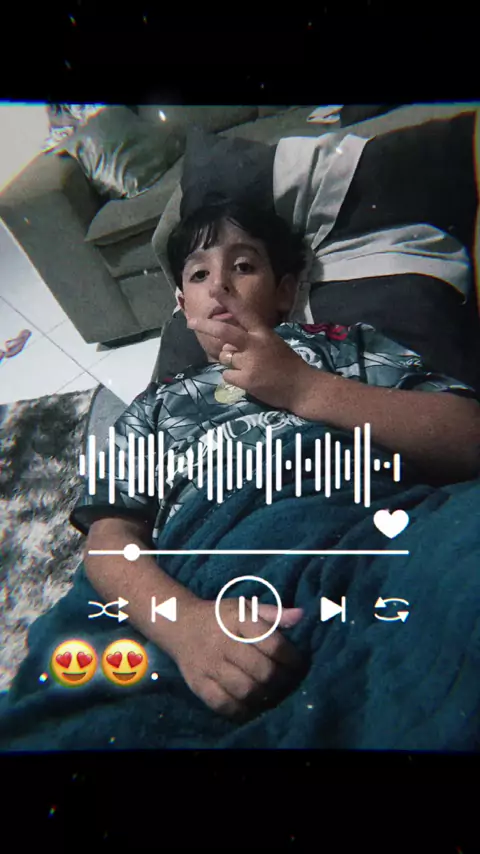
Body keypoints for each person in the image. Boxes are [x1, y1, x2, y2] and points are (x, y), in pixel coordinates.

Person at [69, 198, 480, 723]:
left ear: (285, 291)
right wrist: (183, 625)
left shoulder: (340, 347)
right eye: (199, 274)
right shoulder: (154, 406)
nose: (220, 285)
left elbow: (467, 437)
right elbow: (108, 540)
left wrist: (305, 388)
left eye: (243, 266)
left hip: (373, 534)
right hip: (214, 572)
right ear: (183, 305)